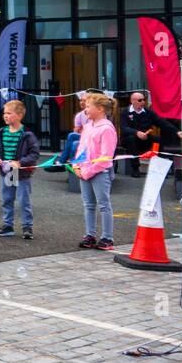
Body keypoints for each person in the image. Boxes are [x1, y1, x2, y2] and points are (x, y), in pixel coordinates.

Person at [0, 99, 40, 240]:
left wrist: (20, 163)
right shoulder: (1, 133)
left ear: (19, 115)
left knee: (23, 200)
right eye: (4, 113)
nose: (5, 116)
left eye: (9, 113)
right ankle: (7, 226)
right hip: (7, 172)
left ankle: (27, 227)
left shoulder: (27, 135)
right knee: (7, 199)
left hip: (22, 173)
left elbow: (34, 154)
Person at [76, 92, 118, 251]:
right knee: (88, 205)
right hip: (85, 171)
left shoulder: (107, 128)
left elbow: (106, 157)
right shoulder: (87, 126)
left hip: (100, 172)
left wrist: (88, 171)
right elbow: (81, 149)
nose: (85, 110)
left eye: (88, 107)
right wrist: (76, 166)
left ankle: (107, 237)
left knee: (103, 204)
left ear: (100, 109)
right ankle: (90, 235)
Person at [118, 92, 159, 177]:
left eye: (144, 100)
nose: (143, 102)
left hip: (145, 137)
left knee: (158, 140)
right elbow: (124, 128)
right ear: (132, 101)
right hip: (128, 139)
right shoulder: (125, 112)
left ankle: (159, 167)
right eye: (140, 100)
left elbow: (161, 122)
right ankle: (135, 168)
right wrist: (137, 133)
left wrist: (176, 131)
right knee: (131, 139)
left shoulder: (148, 112)